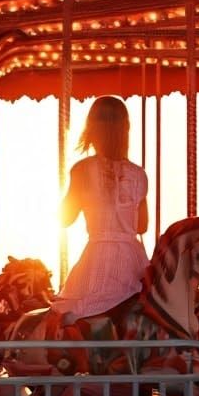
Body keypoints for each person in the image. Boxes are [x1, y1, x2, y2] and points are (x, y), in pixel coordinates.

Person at [48, 96, 150, 325]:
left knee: (70, 320)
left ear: (92, 128)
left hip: (97, 261)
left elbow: (65, 218)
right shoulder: (139, 174)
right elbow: (142, 225)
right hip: (133, 261)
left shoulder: (82, 170)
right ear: (125, 129)